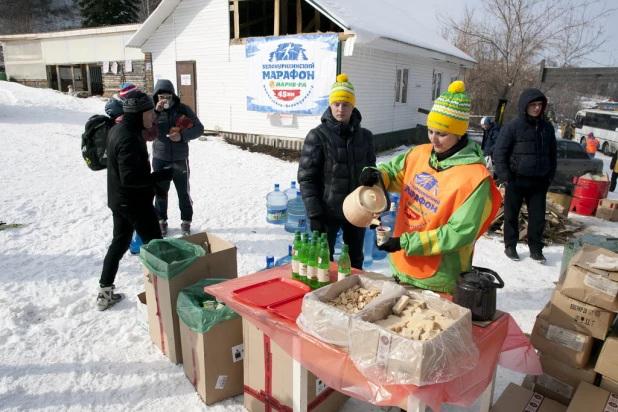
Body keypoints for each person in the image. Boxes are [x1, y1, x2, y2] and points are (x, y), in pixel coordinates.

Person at [360, 81, 501, 293]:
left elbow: (459, 233)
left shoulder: (475, 178)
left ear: (460, 133)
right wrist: (377, 174)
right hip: (402, 265)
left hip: (439, 277)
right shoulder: (420, 154)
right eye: (430, 131)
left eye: (442, 134)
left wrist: (404, 243)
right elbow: (393, 172)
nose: (433, 139)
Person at [97, 91, 174, 311]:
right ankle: (165, 297)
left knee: (119, 243)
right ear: (139, 113)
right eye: (150, 112)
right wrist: (159, 176)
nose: (153, 116)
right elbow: (129, 177)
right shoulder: (129, 137)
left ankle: (104, 292)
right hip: (134, 203)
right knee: (157, 247)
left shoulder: (121, 128)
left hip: (119, 200)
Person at [297, 73, 376, 269]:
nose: (341, 109)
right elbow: (307, 178)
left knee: (355, 260)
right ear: (330, 105)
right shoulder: (317, 136)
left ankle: (356, 297)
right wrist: (315, 214)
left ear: (353, 106)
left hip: (357, 211)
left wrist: (372, 180)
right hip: (327, 212)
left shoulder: (365, 137)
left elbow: (372, 170)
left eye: (346, 104)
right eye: (336, 104)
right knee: (324, 262)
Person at [493, 88, 557, 263]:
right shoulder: (512, 127)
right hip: (516, 180)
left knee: (537, 218)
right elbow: (499, 154)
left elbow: (553, 155)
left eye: (539, 105)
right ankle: (510, 246)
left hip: (539, 182)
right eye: (533, 105)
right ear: (525, 106)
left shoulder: (547, 128)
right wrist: (507, 178)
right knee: (511, 215)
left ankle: (536, 249)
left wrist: (549, 177)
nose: (537, 108)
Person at [152, 80, 204, 236]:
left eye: (168, 96)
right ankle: (161, 221)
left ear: (173, 95)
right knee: (160, 192)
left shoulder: (183, 109)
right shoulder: (152, 110)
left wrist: (181, 136)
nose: (165, 99)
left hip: (180, 158)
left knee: (183, 192)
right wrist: (156, 111)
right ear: (156, 96)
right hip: (160, 157)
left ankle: (186, 221)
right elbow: (144, 128)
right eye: (161, 96)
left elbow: (199, 128)